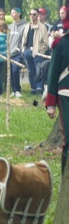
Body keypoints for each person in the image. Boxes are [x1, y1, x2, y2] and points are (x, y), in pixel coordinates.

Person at [45, 12, 69, 175]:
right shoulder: (60, 44)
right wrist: (51, 104)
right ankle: (65, 176)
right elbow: (53, 74)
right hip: (66, 94)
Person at [7, 8, 26, 97]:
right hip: (9, 52)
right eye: (11, 13)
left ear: (19, 13)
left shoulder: (25, 26)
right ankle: (13, 90)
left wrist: (21, 49)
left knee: (15, 70)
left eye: (14, 12)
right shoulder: (10, 27)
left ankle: (18, 90)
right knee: (10, 72)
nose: (13, 14)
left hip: (18, 53)